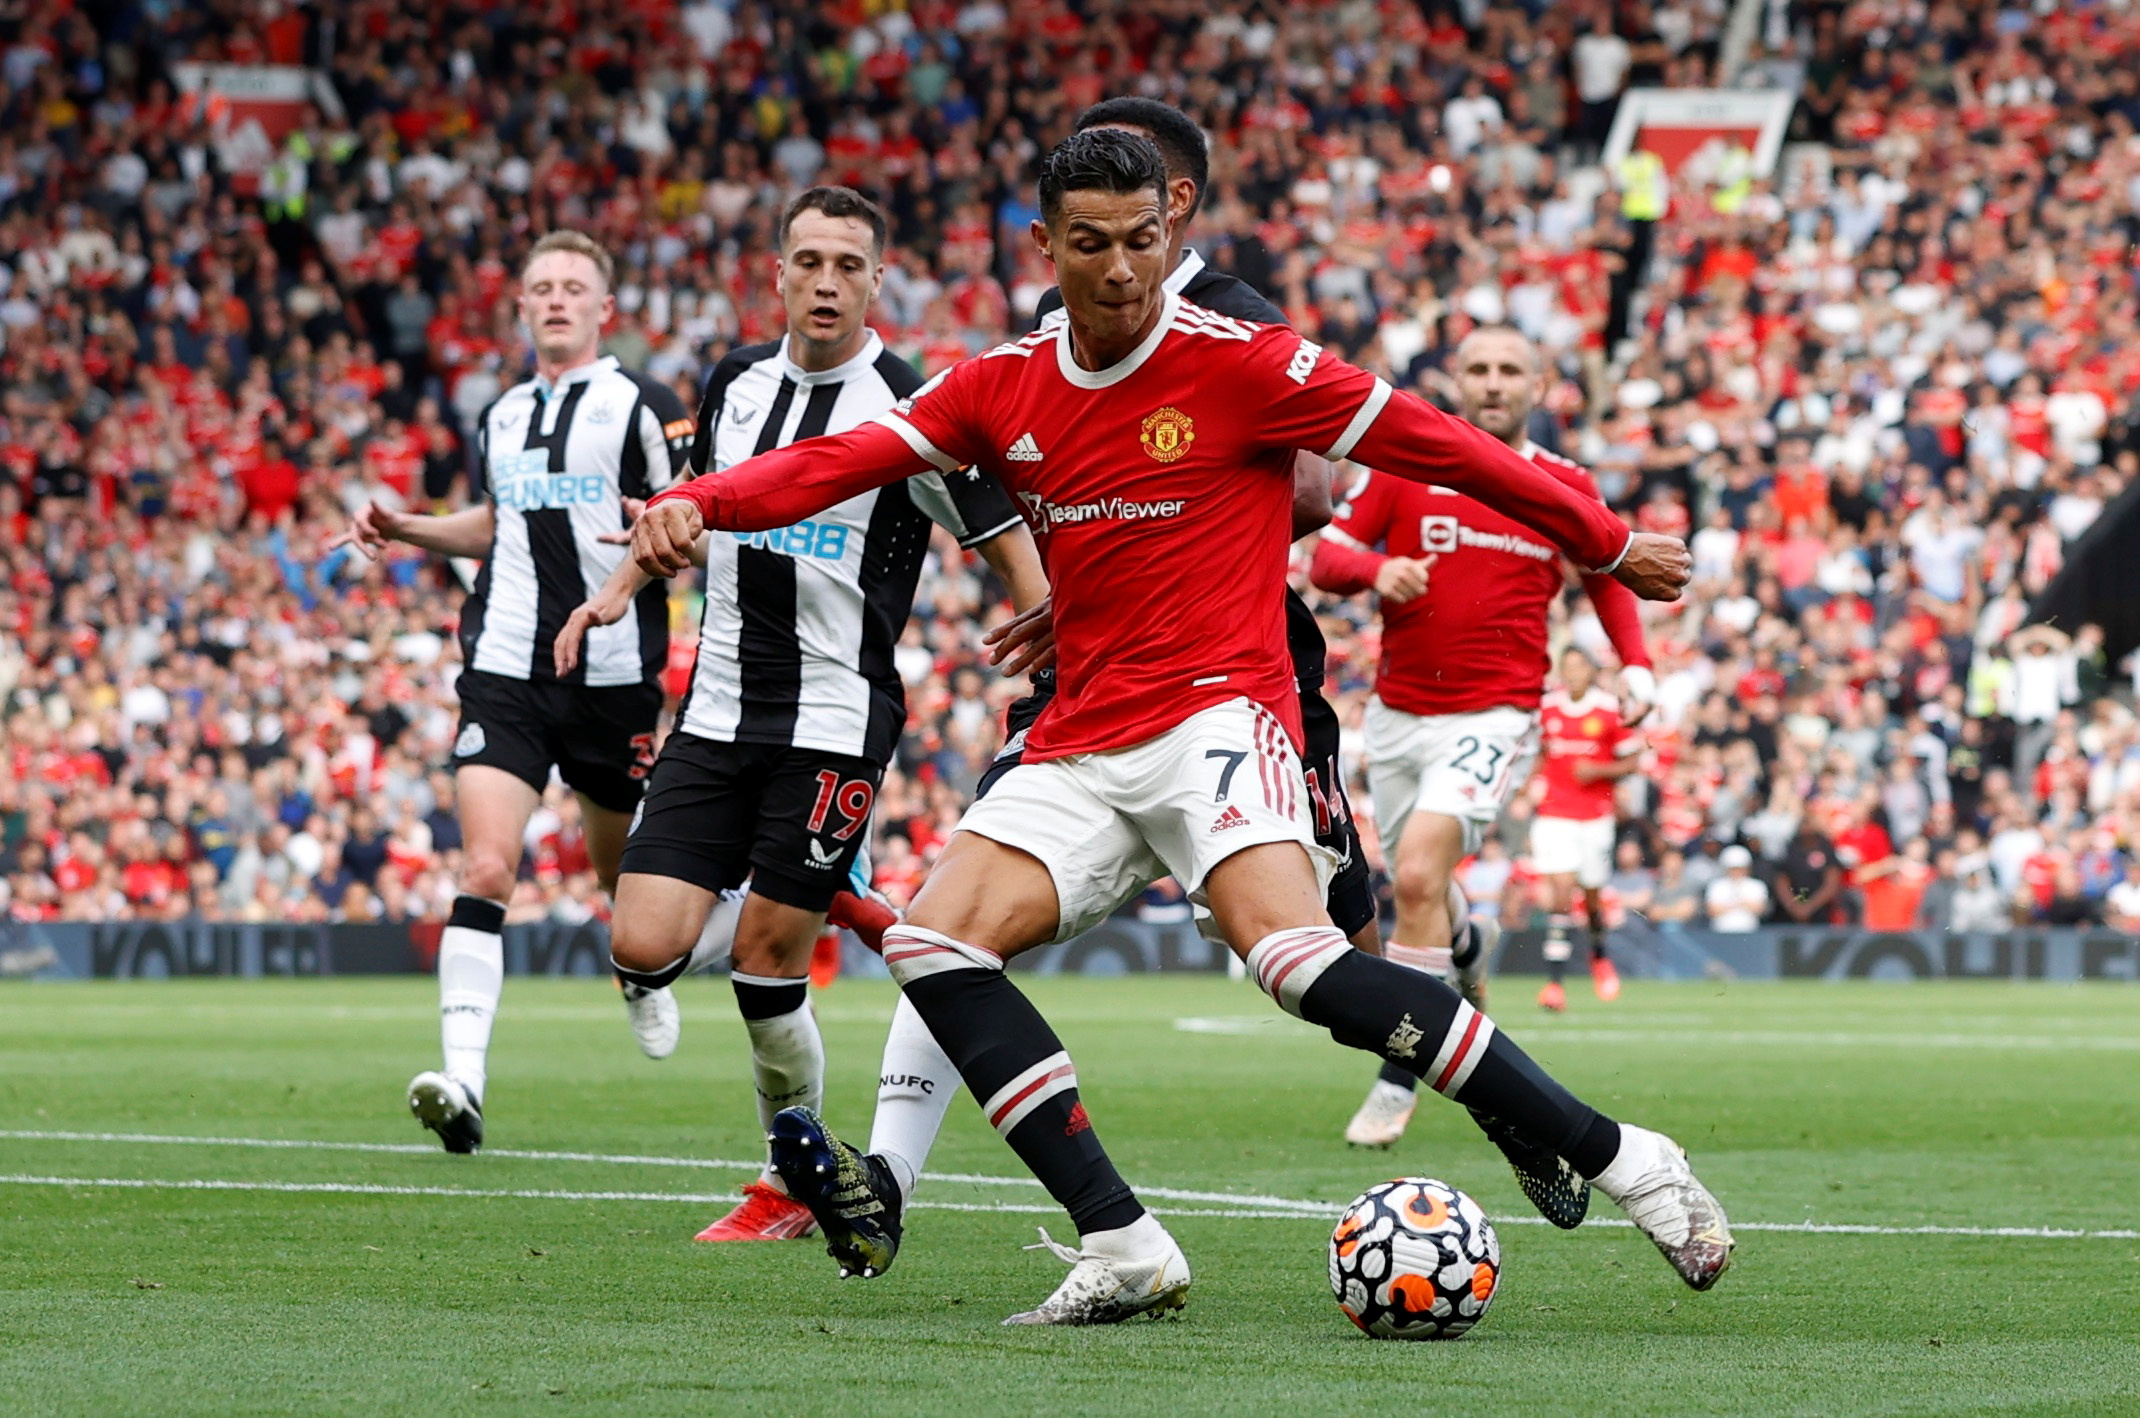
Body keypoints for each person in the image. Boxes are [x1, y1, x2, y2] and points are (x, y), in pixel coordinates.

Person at [632, 130, 1731, 1323]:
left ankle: (1625, 1153)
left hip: (1220, 709)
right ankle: (1123, 1240)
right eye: (1090, 245)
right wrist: (698, 497)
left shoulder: (1244, 362)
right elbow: (835, 462)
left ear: (1176, 224)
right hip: (1083, 730)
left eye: (1143, 241)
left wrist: (1604, 537)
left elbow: (1443, 443)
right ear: (1043, 245)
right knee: (933, 942)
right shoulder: (999, 383)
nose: (1119, 271)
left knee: (1305, 964)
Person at [847, 95, 1402, 1234]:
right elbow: (1004, 464)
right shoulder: (1050, 327)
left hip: (1242, 659)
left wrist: (1138, 548)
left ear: (1174, 204)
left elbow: (1309, 488)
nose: (1102, 253)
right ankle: (888, 1177)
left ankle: (1498, 1106)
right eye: (1077, 224)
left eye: (1130, 215)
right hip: (1094, 672)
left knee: (1335, 939)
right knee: (951, 915)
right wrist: (1085, 566)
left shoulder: (1230, 320)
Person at [556, 187, 1045, 1241]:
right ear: (777, 272)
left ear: (878, 280)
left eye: (847, 265)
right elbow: (680, 513)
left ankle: (792, 1174)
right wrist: (611, 595)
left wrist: (1050, 631)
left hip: (834, 714)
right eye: (807, 260)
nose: (825, 281)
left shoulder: (915, 405)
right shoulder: (732, 382)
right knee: (640, 939)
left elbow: (1003, 530)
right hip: (717, 708)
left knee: (767, 960)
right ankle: (845, 900)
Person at [328, 231, 692, 1154]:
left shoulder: (643, 406)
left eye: (575, 286)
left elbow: (689, 513)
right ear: (522, 307)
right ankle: (464, 1082)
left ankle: (643, 977)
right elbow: (500, 523)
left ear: (605, 308)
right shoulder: (499, 416)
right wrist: (406, 526)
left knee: (620, 881)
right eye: (542, 287)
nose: (558, 299)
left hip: (611, 676)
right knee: (487, 868)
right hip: (504, 668)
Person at [1309, 323, 1653, 1143]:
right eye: (1479, 370)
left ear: (1538, 386)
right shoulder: (1405, 470)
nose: (1494, 383)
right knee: (1426, 893)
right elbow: (1327, 559)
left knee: (1419, 876)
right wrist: (1375, 570)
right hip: (1397, 717)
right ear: (1456, 382)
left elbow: (1608, 572)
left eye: (1510, 369)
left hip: (1497, 713)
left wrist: (1635, 663)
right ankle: (1468, 947)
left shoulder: (1562, 483)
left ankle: (1401, 1075)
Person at [1526, 646, 1646, 1009]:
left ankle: (1598, 954)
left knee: (1591, 897)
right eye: (1568, 667)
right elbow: (1541, 752)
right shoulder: (1548, 709)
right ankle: (1555, 985)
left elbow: (1633, 762)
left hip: (1595, 817)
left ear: (1591, 671)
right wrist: (1527, 783)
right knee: (1561, 894)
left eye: (1580, 666)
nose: (1573, 673)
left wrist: (1598, 771)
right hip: (1554, 814)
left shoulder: (1610, 710)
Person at [1704, 846, 1771, 932]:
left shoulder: (1757, 885)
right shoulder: (1716, 885)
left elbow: (1758, 909)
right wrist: (1743, 904)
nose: (1737, 872)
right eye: (1733, 868)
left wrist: (1728, 905)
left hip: (1750, 932)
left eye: (1740, 868)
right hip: (1720, 933)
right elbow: (1712, 910)